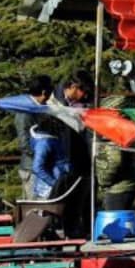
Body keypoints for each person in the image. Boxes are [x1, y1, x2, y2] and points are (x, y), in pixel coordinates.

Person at [48, 69, 95, 238]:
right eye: (84, 92)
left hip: (80, 159)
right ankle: (57, 231)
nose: (85, 96)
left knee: (79, 198)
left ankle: (76, 229)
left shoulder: (81, 104)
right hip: (61, 161)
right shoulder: (53, 103)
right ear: (74, 87)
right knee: (60, 199)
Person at [94, 93, 135, 211]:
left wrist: (104, 181)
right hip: (129, 182)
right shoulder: (128, 128)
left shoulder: (116, 130)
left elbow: (115, 159)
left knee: (116, 218)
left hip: (119, 187)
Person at [14, 75, 54, 200]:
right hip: (32, 169)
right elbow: (24, 143)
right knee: (36, 206)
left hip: (43, 168)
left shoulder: (40, 109)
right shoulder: (25, 111)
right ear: (44, 92)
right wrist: (42, 155)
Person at [28, 120, 72, 200]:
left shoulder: (52, 139)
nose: (61, 129)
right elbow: (37, 167)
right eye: (59, 127)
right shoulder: (44, 142)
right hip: (47, 189)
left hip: (58, 183)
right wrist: (55, 184)